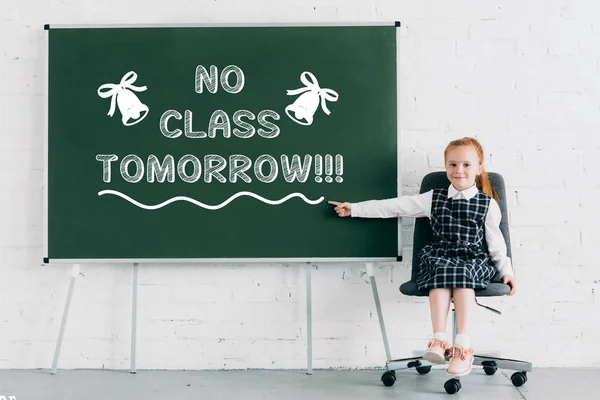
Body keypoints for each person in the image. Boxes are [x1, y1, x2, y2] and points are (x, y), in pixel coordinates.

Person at [328, 137, 516, 377]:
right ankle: (438, 340)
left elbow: (497, 244)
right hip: (441, 255)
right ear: (446, 166)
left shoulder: (487, 204)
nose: (459, 171)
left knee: (462, 275)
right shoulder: (433, 197)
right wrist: (354, 208)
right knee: (440, 273)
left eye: (467, 165)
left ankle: (462, 346)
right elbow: (394, 206)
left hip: (474, 259)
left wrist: (506, 271)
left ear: (479, 168)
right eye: (453, 164)